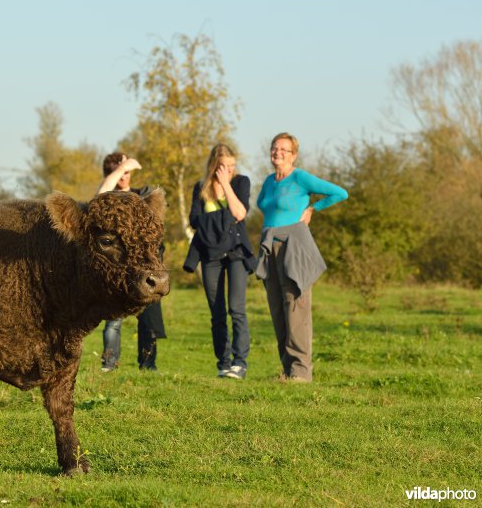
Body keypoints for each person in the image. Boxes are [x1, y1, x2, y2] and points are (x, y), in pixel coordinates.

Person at [255, 132, 348, 382]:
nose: (278, 152)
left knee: (295, 306)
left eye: (284, 149)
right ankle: (287, 370)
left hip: (293, 244)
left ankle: (301, 372)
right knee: (277, 308)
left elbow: (340, 193)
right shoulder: (268, 181)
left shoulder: (300, 178)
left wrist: (312, 209)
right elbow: (263, 206)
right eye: (275, 148)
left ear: (293, 154)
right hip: (269, 245)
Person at [184, 144, 254, 379]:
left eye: (232, 166)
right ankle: (223, 362)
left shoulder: (240, 183)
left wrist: (225, 185)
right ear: (214, 165)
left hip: (236, 253)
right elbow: (194, 220)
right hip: (210, 255)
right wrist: (223, 219)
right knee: (217, 312)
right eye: (224, 166)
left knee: (237, 309)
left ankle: (240, 363)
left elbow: (240, 213)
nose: (229, 170)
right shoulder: (200, 188)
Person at [98, 152, 167, 372]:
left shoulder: (142, 196)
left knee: (148, 318)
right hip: (118, 271)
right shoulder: (107, 202)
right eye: (118, 171)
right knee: (113, 320)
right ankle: (109, 363)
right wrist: (120, 167)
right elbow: (98, 197)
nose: (124, 175)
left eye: (127, 171)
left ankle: (148, 364)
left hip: (143, 269)